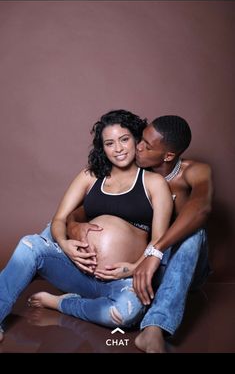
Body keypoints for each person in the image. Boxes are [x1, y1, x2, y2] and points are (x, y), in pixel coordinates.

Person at [0, 110, 173, 343]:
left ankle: (61, 303)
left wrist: (133, 268)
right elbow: (59, 219)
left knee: (125, 313)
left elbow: (159, 241)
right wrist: (65, 244)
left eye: (124, 139)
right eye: (110, 143)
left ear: (136, 140)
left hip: (121, 281)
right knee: (29, 244)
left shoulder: (154, 183)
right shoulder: (90, 176)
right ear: (103, 148)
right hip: (77, 271)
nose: (119, 148)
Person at [66, 115, 213, 353]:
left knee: (194, 233)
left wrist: (153, 253)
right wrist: (72, 224)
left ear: (167, 156)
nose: (137, 146)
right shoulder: (135, 176)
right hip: (144, 268)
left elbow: (202, 208)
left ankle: (155, 327)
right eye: (139, 139)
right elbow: (88, 208)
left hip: (181, 265)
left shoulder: (193, 171)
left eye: (146, 145)